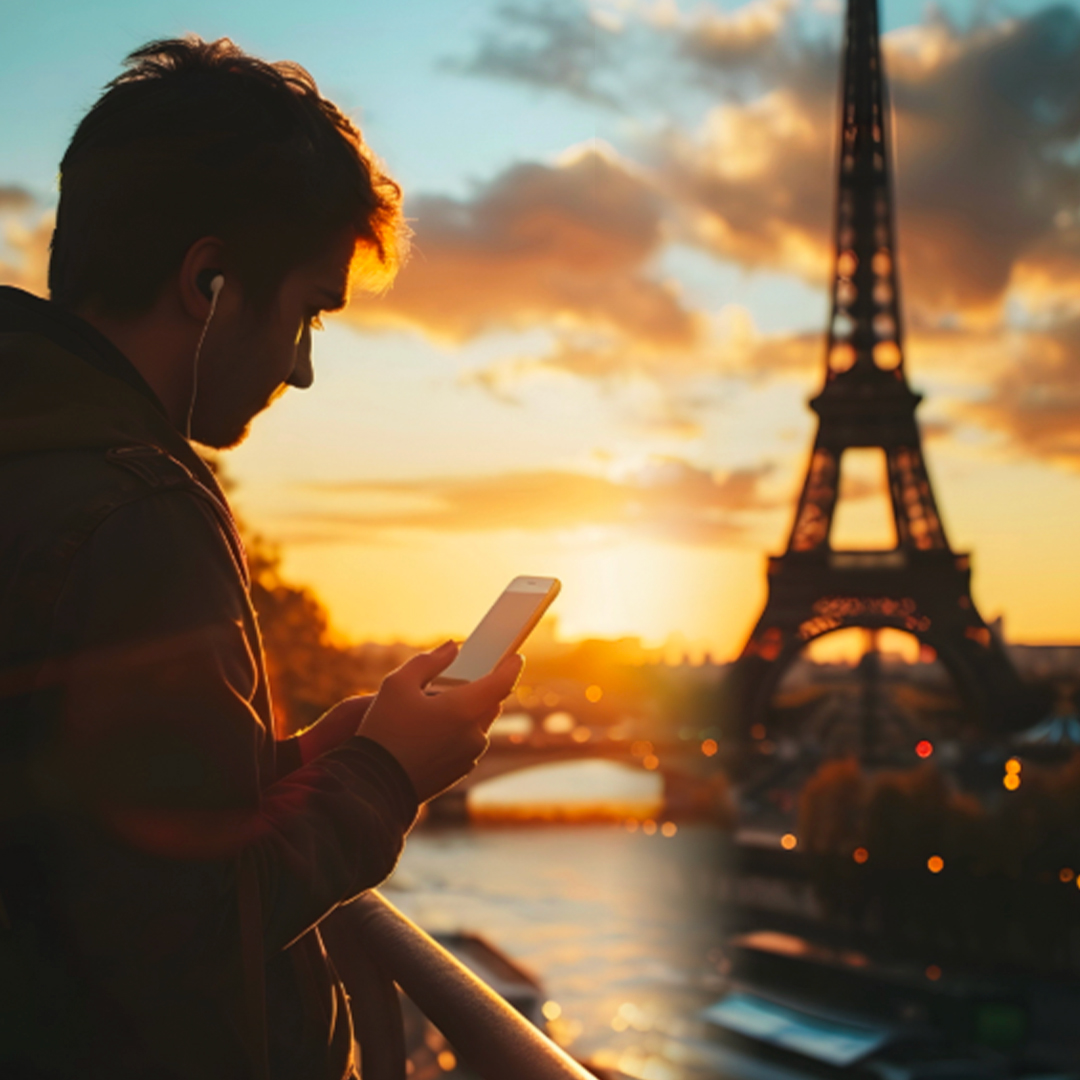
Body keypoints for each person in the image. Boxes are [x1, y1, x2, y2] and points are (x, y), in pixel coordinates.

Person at [0, 35, 521, 1079]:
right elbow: (188, 939)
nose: (305, 367)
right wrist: (387, 775)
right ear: (209, 280)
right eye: (307, 313)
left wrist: (296, 764)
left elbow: (82, 843)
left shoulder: (39, 464)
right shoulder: (135, 514)